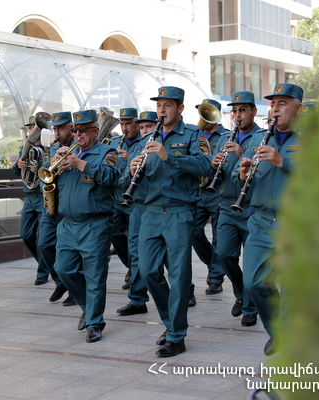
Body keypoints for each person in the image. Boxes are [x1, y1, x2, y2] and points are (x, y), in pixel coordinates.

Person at [131, 86, 211, 357]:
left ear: (180, 108)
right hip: (151, 211)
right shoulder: (148, 137)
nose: (161, 110)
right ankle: (170, 323)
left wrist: (169, 156)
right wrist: (132, 169)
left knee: (178, 276)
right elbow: (131, 178)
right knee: (148, 271)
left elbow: (205, 166)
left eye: (167, 105)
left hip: (179, 211)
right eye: (159, 105)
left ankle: (177, 336)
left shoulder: (193, 134)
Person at [232, 83, 304, 356]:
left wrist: (282, 161)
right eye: (273, 104)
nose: (275, 109)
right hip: (261, 220)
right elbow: (238, 176)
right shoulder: (258, 139)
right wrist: (242, 173)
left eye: (282, 103)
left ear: (298, 108)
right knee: (253, 282)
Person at [54, 110, 118, 343]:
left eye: (83, 130)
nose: (78, 134)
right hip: (67, 224)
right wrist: (53, 165)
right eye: (75, 130)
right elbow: (45, 182)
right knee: (63, 269)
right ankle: (88, 308)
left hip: (95, 224)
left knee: (94, 276)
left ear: (95, 130)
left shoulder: (107, 152)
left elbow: (112, 177)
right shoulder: (65, 153)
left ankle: (94, 323)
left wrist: (81, 164)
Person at [211, 91, 260, 327]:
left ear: (253, 111)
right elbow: (213, 172)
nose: (238, 115)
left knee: (250, 262)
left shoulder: (262, 137)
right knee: (224, 254)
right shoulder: (223, 138)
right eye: (235, 110)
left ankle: (250, 307)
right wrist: (213, 165)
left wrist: (241, 154)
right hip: (226, 205)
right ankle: (241, 294)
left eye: (243, 110)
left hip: (251, 207)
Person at [116, 111, 157, 316]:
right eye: (141, 127)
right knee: (135, 254)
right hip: (139, 207)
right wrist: (131, 170)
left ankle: (188, 291)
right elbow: (122, 182)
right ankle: (138, 299)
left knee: (168, 257)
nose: (144, 131)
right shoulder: (137, 149)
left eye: (149, 126)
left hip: (159, 208)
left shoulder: (164, 147)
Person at [37, 111, 75, 305]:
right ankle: (60, 282)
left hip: (69, 204)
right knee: (44, 244)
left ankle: (75, 289)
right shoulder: (53, 148)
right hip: (52, 203)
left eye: (61, 128)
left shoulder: (79, 146)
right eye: (55, 129)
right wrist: (51, 162)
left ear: (71, 127)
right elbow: (43, 175)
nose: (57, 133)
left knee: (70, 250)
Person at [193, 99, 227, 296]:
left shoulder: (225, 136)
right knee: (194, 233)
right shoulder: (193, 135)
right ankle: (212, 264)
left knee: (217, 237)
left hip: (217, 191)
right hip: (197, 192)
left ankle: (216, 278)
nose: (202, 117)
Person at [14, 115, 47, 285]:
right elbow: (17, 171)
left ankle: (42, 272)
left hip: (42, 197)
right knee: (26, 234)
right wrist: (18, 165)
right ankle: (45, 263)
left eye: (34, 128)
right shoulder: (25, 149)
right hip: (29, 197)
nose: (31, 131)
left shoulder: (48, 148)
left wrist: (40, 167)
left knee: (42, 239)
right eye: (30, 128)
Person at [111, 108, 141, 292]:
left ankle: (135, 273)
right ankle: (130, 266)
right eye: (122, 124)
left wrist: (130, 158)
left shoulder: (143, 141)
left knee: (134, 240)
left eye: (128, 123)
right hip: (116, 197)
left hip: (135, 198)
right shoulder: (114, 142)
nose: (124, 128)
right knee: (115, 235)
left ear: (136, 124)